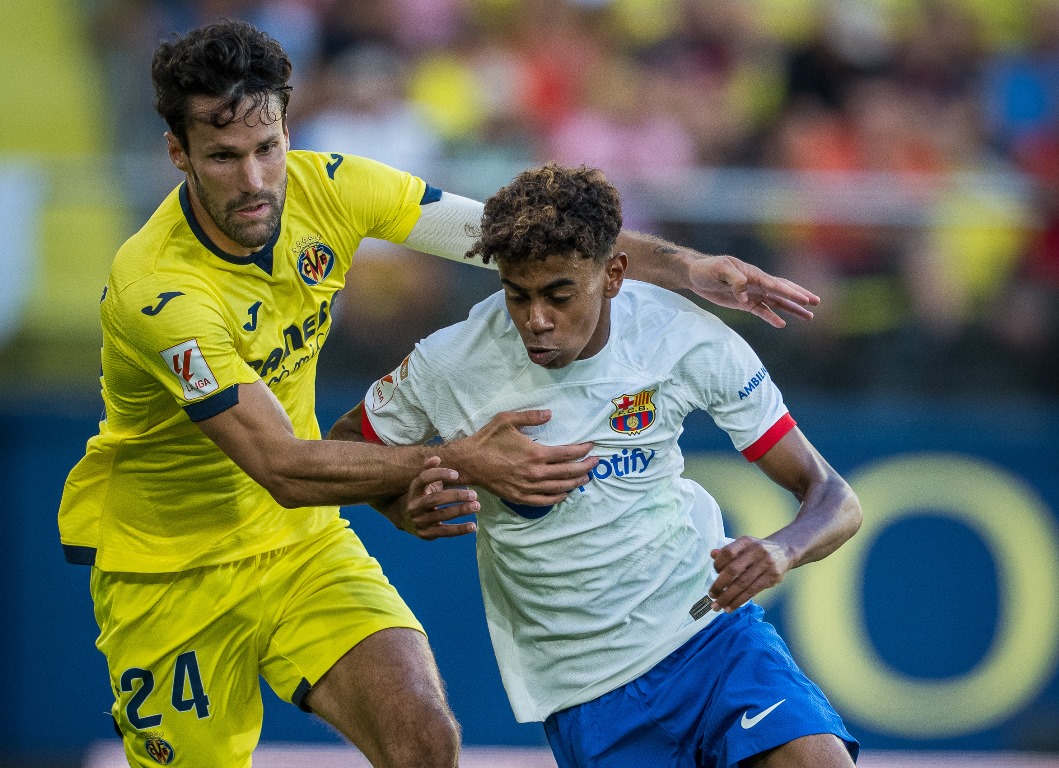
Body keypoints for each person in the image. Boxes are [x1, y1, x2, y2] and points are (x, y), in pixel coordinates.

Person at [57, 20, 823, 768]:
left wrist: (686, 268)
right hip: (169, 569)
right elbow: (282, 466)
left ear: (289, 129)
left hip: (296, 547)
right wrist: (461, 459)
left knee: (424, 741)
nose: (256, 181)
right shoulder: (158, 290)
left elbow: (521, 237)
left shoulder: (336, 187)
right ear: (177, 152)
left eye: (268, 148)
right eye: (224, 157)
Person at [331, 163, 862, 767]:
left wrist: (783, 549)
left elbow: (832, 495)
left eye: (559, 296)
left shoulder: (682, 337)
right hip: (586, 688)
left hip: (709, 636)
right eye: (517, 294)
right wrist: (405, 503)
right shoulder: (450, 363)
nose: (536, 319)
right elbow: (345, 448)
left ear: (613, 274)